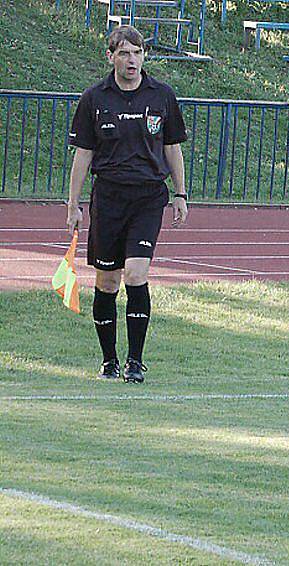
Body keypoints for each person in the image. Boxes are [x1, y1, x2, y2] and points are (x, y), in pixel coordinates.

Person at [66, 25, 189, 383]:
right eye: (124, 53)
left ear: (143, 56)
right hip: (108, 197)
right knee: (107, 282)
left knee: (136, 273)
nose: (131, 60)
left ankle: (136, 362)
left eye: (137, 53)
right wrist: (73, 204)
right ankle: (109, 361)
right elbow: (83, 155)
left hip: (149, 197)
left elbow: (173, 148)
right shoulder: (94, 98)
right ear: (111, 57)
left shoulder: (162, 95)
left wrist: (180, 193)